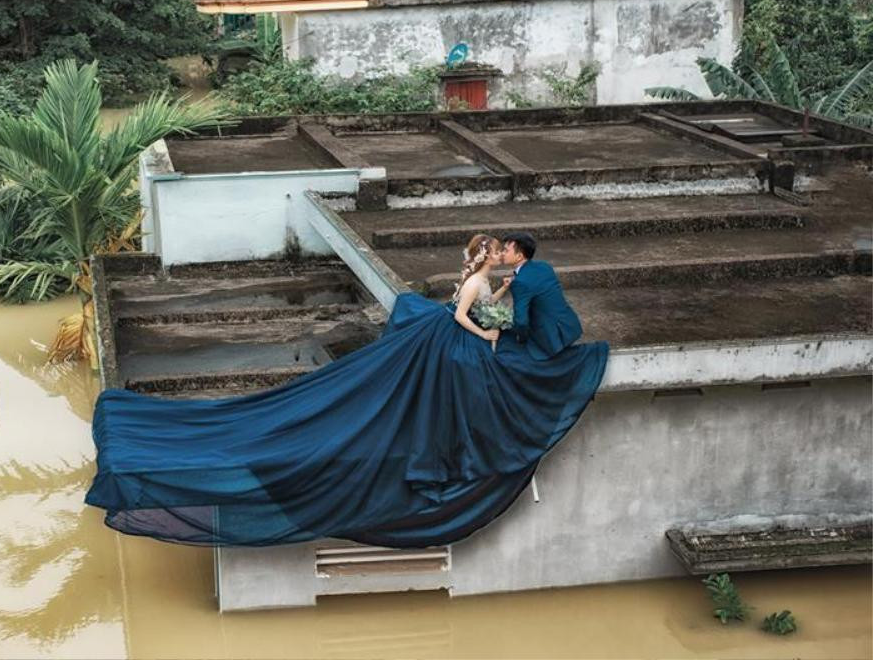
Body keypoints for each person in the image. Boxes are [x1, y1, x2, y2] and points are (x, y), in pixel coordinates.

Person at [85, 234, 609, 549]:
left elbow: (476, 301)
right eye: (499, 251)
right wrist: (490, 330)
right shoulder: (486, 281)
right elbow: (468, 314)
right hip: (461, 341)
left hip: (451, 336)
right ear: (491, 255)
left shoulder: (492, 275)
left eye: (505, 252)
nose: (502, 255)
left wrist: (499, 304)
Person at [500, 231, 583, 360]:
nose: (502, 253)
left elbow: (521, 322)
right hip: (569, 327)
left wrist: (520, 340)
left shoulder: (521, 282)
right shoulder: (544, 266)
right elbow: (539, 288)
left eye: (505, 250)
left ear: (519, 256)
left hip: (552, 339)